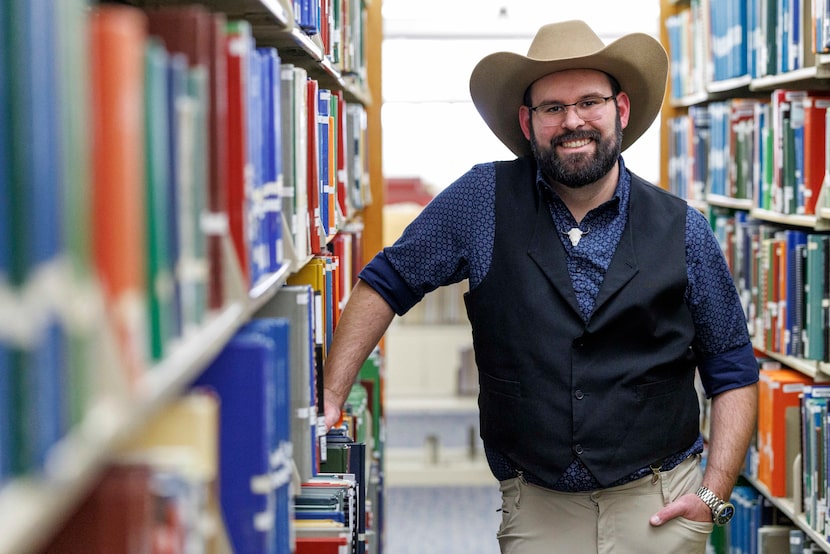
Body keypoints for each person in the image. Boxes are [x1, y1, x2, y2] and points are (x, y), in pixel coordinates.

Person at [323, 20, 759, 553]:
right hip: (538, 510)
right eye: (552, 107)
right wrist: (330, 396)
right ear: (528, 122)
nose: (572, 120)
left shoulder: (683, 228)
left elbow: (732, 368)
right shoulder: (482, 199)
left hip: (660, 506)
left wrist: (713, 494)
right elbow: (386, 283)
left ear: (620, 110)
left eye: (589, 102)